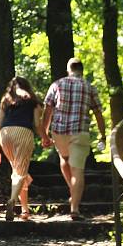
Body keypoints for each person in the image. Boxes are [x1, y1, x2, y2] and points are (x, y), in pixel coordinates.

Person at [40, 57, 106, 221]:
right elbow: (98, 112)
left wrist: (44, 134)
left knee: (64, 158)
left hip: (59, 132)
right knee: (77, 170)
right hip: (79, 132)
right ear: (81, 70)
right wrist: (102, 135)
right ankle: (75, 208)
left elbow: (47, 110)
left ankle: (73, 194)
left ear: (69, 69)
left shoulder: (57, 84)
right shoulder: (89, 87)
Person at [0, 76, 44, 221]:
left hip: (5, 135)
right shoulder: (33, 101)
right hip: (23, 133)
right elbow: (37, 124)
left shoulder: (6, 100)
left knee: (19, 170)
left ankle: (25, 210)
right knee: (20, 172)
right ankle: (12, 201)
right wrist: (45, 138)